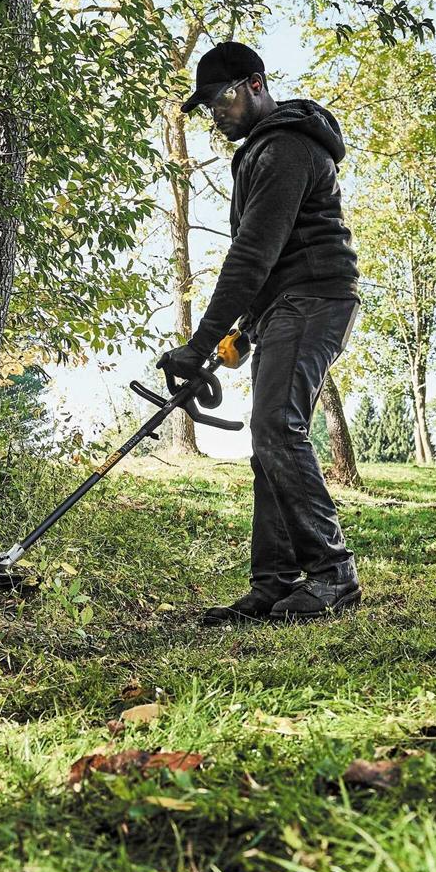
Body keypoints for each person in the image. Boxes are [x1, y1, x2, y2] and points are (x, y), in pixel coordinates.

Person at [158, 41, 362, 624]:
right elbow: (269, 259)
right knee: (269, 439)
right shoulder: (266, 149)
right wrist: (243, 332)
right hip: (287, 303)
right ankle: (273, 582)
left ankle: (333, 574)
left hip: (314, 296)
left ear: (254, 83)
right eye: (207, 107)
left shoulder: (285, 147)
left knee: (277, 427)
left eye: (221, 98)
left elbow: (254, 253)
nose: (216, 113)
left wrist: (199, 345)